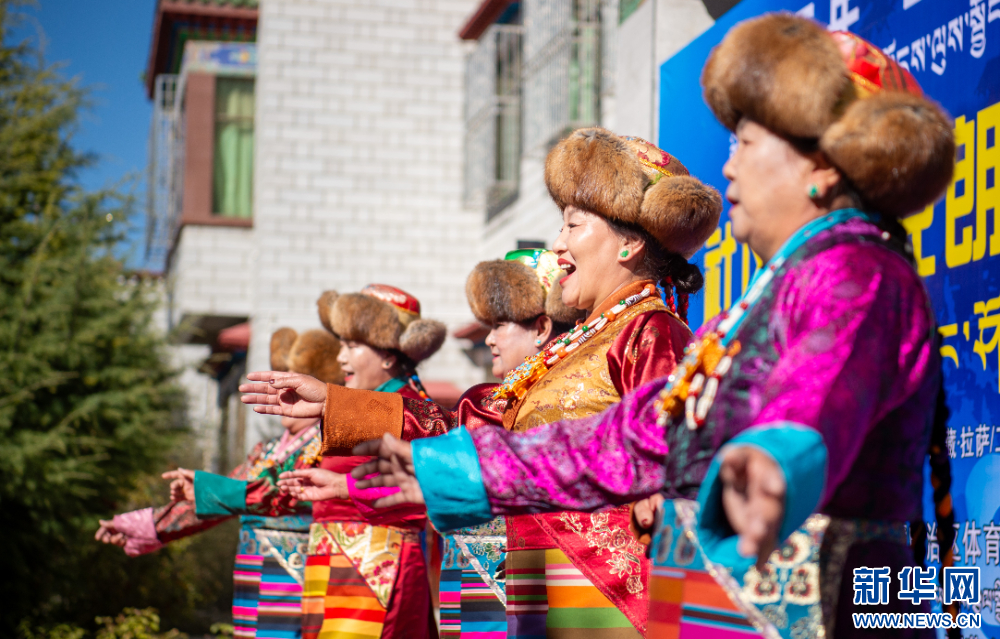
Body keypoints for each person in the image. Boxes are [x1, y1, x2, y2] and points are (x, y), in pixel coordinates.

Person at [348, 15, 954, 639]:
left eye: (746, 143)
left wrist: (773, 458)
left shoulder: (857, 272)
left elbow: (822, 393)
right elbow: (630, 437)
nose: (729, 168)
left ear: (822, 166)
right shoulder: (787, 286)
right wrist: (454, 470)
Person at [241, 131, 722, 639]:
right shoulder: (575, 346)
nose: (558, 245)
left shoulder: (651, 331)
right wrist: (337, 405)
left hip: (604, 601)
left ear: (629, 243)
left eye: (573, 225)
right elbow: (466, 429)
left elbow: (668, 457)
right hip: (543, 593)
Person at [284, 249, 584, 639]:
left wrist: (336, 420)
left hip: (410, 569)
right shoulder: (487, 401)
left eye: (499, 325)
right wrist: (343, 467)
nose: (489, 338)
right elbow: (445, 449)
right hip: (462, 573)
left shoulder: (566, 398)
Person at [95, 327, 342, 639]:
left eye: (291, 386)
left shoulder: (326, 448)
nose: (282, 396)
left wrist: (204, 489)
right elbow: (225, 498)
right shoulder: (266, 451)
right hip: (251, 582)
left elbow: (261, 493)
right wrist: (147, 526)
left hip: (298, 581)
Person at [277, 284, 446, 639]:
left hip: (378, 567)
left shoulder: (410, 411)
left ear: (388, 356)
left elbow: (426, 489)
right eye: (341, 344)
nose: (340, 358)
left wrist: (345, 487)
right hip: (331, 564)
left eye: (352, 346)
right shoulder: (356, 408)